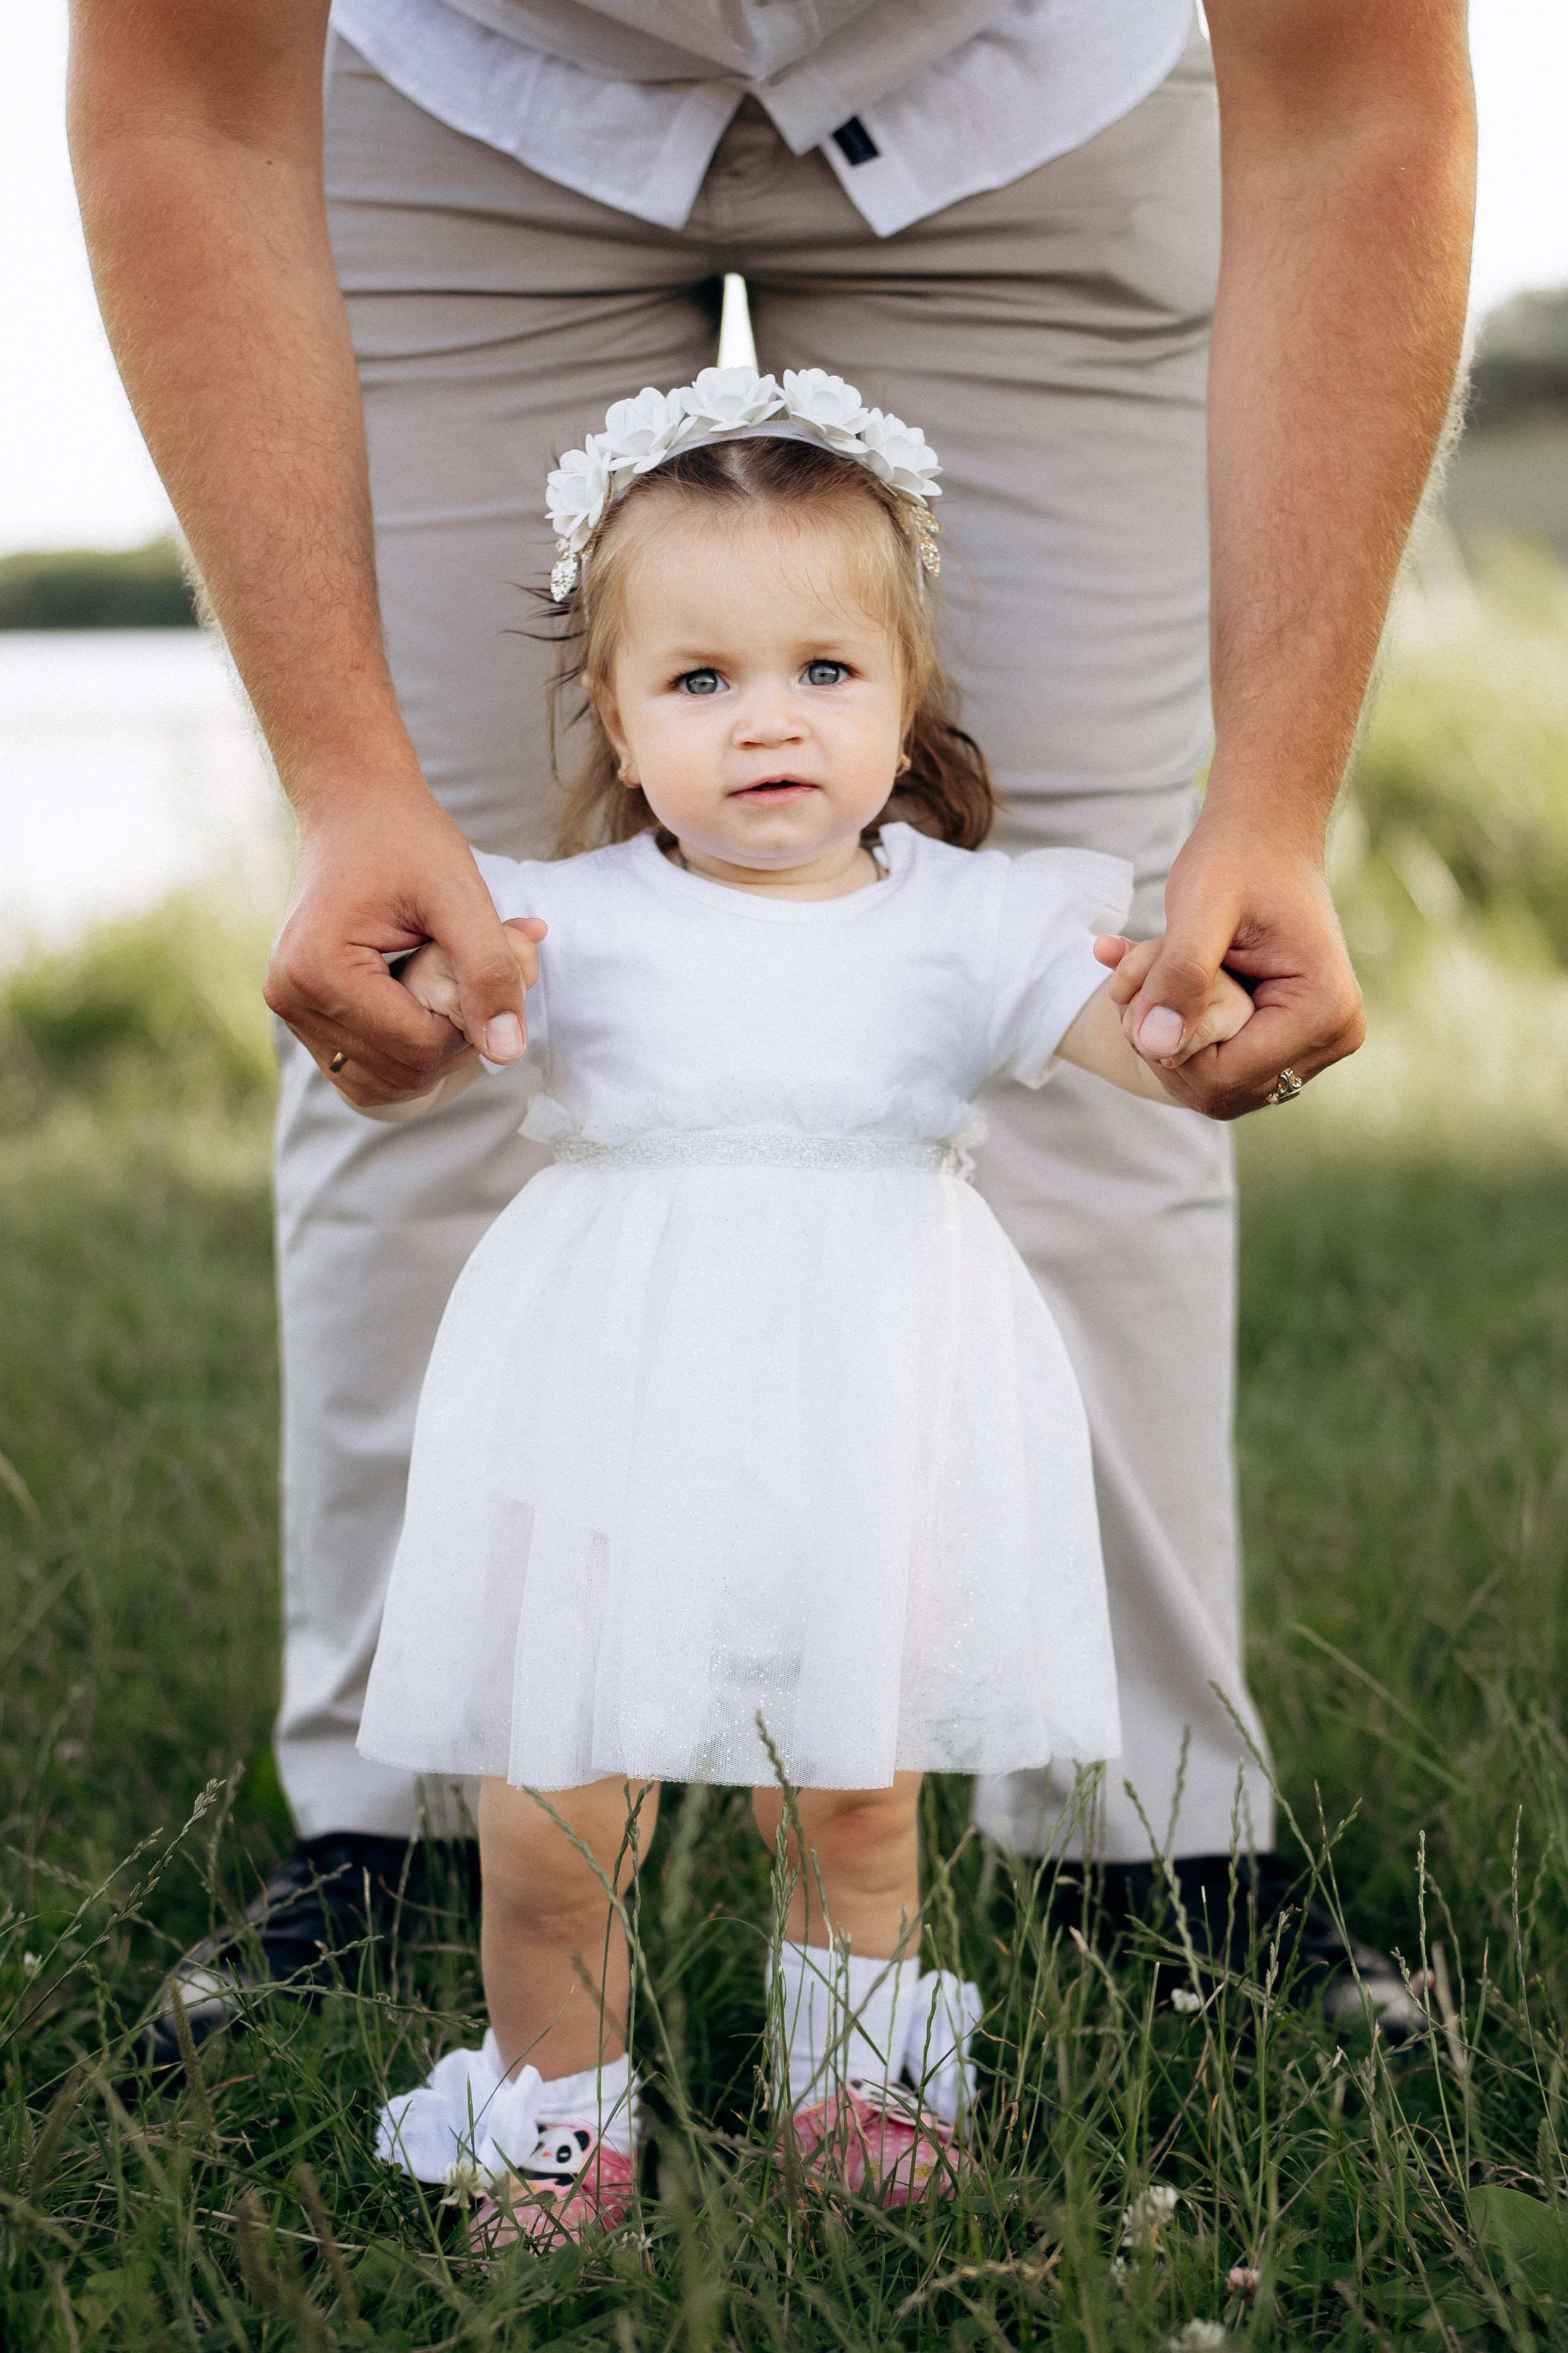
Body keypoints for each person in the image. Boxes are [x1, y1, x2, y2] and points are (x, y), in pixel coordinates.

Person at [67, 1, 1473, 2058]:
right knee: (430, 972)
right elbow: (187, 101)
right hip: (456, 88)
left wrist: (1271, 799)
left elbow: (1355, 108)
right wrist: (353, 781)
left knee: (1104, 950)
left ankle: (1154, 1839)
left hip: (1032, 90)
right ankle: (408, 1826)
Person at [351, 382, 1258, 2241]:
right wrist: (415, 996)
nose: (767, 716)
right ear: (611, 713)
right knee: (555, 1816)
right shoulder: (555, 918)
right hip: (606, 1408)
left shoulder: (972, 922)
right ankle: (555, 2131)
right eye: (696, 681)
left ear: (903, 689)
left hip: (864, 1408)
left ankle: (862, 2110)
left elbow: (1156, 1046)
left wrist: (1209, 1007)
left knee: (848, 1802)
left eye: (825, 668)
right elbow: (404, 1037)